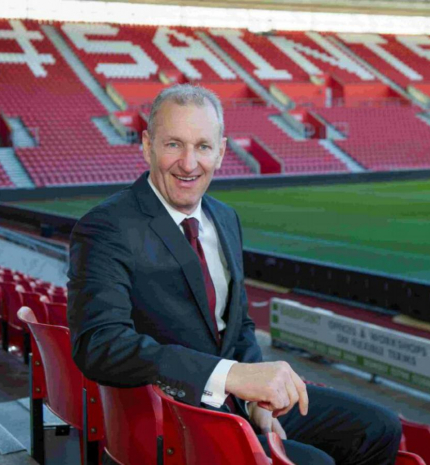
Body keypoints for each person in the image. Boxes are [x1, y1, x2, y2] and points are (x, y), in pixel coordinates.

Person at [67, 84, 401, 464]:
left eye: (203, 146)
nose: (189, 163)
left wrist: (258, 399)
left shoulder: (225, 218)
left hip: (237, 403)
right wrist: (229, 376)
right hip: (179, 418)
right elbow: (99, 344)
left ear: (221, 152)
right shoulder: (106, 226)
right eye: (174, 144)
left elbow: (238, 325)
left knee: (381, 427)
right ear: (147, 146)